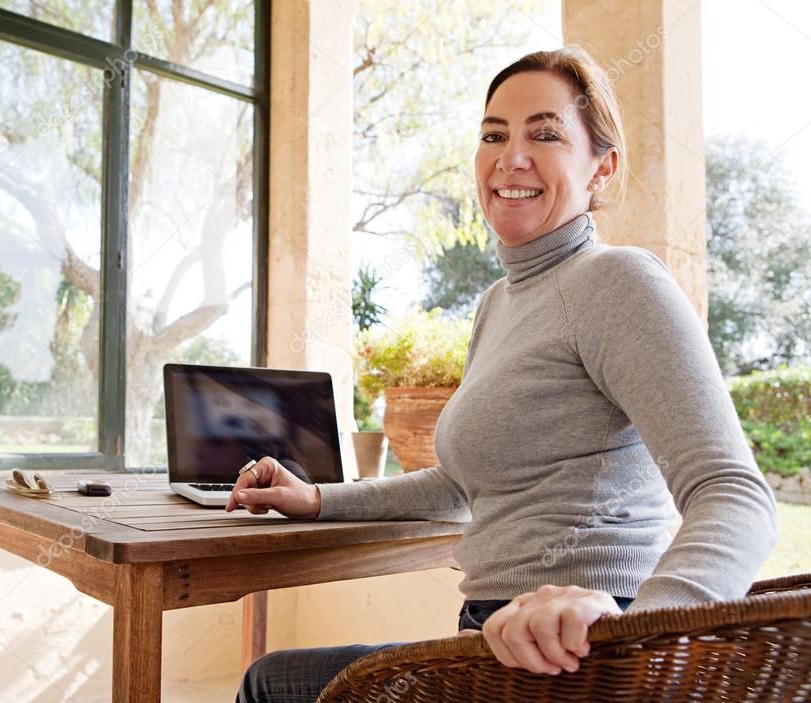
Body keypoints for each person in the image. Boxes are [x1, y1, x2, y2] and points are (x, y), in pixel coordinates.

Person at [227, 44, 778, 702]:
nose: (512, 156)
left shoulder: (618, 282)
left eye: (545, 133)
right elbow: (460, 484)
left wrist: (642, 643)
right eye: (494, 134)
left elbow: (736, 497)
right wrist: (314, 498)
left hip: (578, 653)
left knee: (271, 684)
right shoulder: (498, 303)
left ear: (602, 168)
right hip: (489, 635)